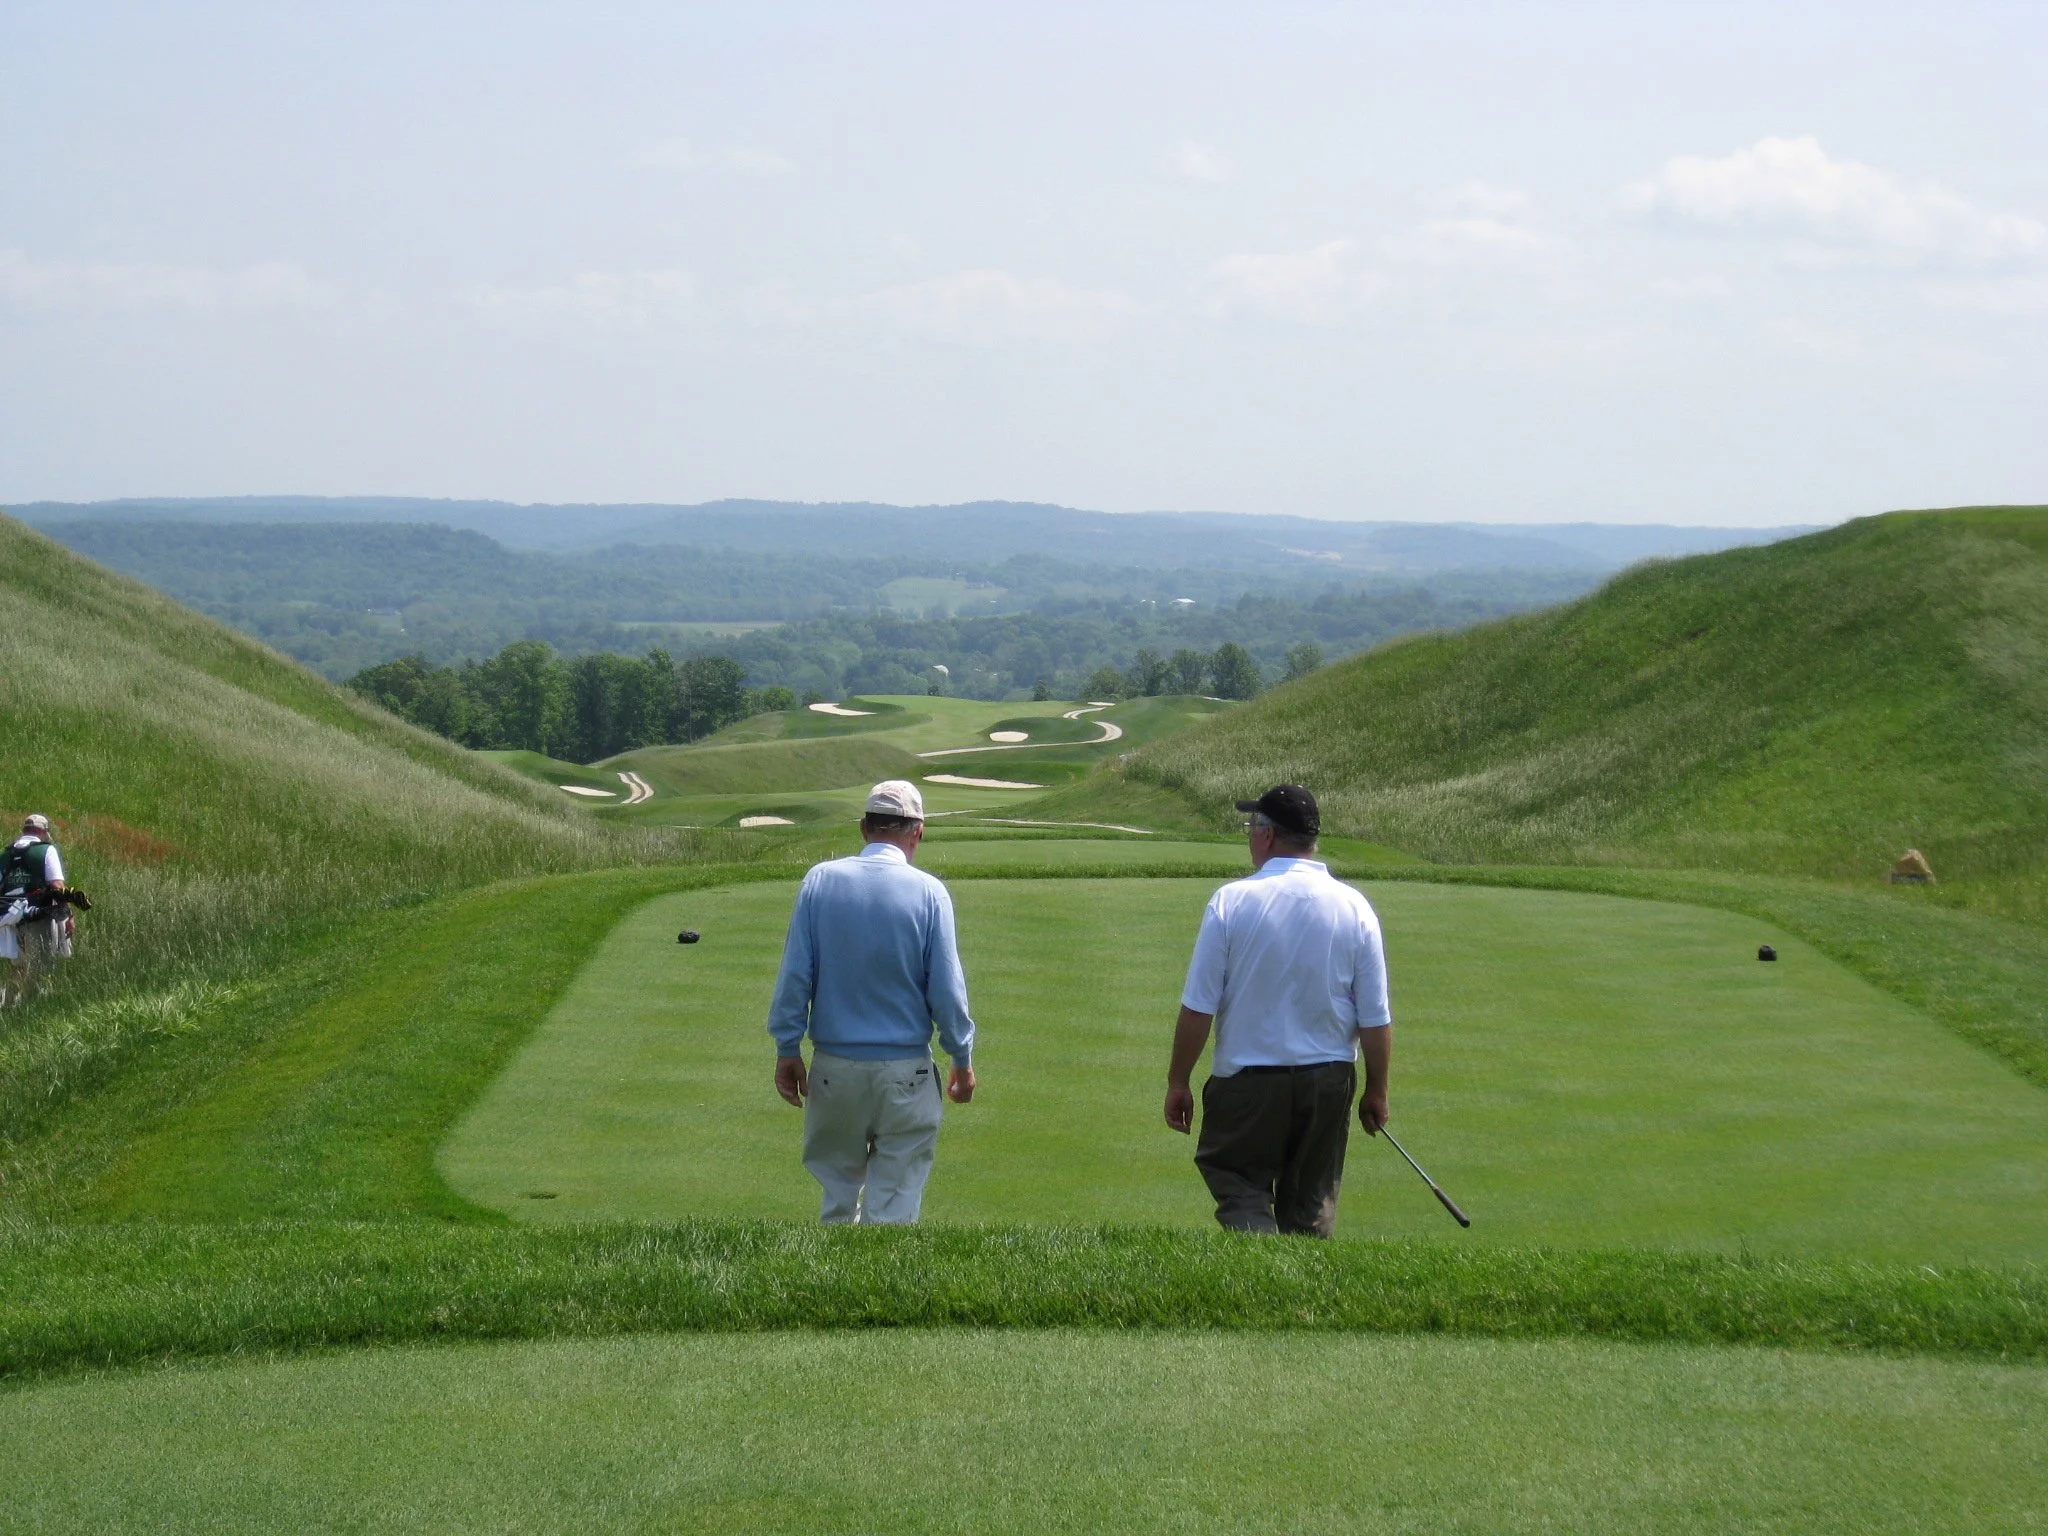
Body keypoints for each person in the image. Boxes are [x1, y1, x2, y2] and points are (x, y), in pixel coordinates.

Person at [1162, 784, 1392, 1237]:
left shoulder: (1231, 901)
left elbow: (1199, 1007)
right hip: (1327, 1081)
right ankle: (1299, 1278)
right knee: (1310, 1203)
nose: (1250, 835)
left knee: (1238, 1181)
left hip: (1248, 1083)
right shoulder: (1355, 906)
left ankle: (1258, 1265)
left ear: (1267, 835)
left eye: (1252, 826)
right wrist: (1376, 1090)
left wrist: (1178, 1080)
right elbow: (1375, 1017)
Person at [767, 780, 978, 1224]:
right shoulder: (929, 892)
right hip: (906, 1073)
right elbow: (946, 991)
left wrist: (788, 1049)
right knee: (895, 1208)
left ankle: (834, 1267)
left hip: (834, 1071)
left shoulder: (820, 880)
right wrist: (961, 1057)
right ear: (917, 832)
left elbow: (795, 976)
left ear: (864, 828)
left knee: (838, 1202)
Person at [1, 814, 71, 1007]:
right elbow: (57, 885)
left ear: (24, 830)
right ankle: (29, 1009)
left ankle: (7, 1004)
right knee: (40, 965)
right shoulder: (46, 850)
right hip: (38, 915)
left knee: (19, 966)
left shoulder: (4, 854)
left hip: (9, 919)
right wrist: (68, 914)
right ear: (43, 831)